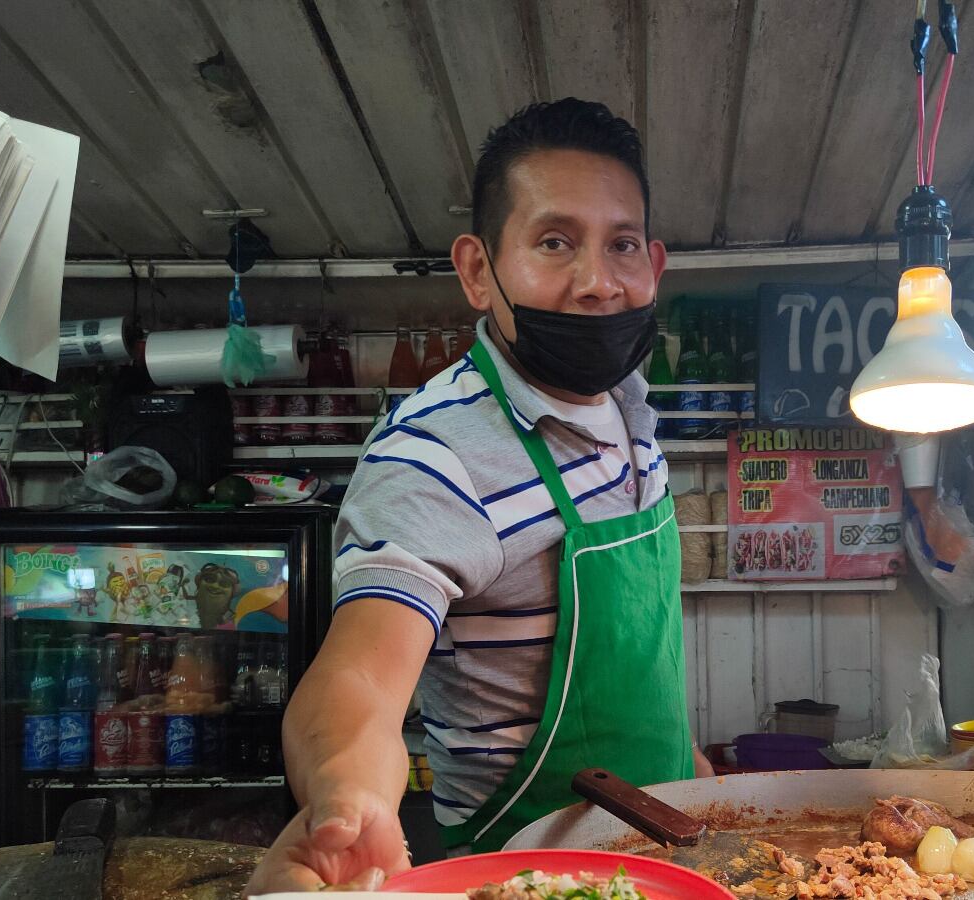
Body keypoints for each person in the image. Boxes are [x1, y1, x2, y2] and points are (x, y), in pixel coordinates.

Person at [246, 99, 713, 894]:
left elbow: (647, 668)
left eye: (622, 244)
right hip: (525, 875)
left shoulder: (632, 410)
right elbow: (358, 682)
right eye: (555, 242)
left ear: (654, 265)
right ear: (476, 270)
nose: (598, 283)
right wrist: (348, 794)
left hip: (669, 854)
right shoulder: (434, 455)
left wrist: (693, 776)